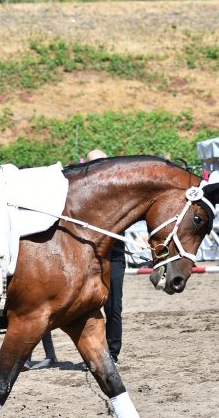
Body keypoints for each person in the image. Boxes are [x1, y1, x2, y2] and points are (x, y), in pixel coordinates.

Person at [85, 148, 124, 363]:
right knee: (88, 308)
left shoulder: (119, 190)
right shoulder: (83, 190)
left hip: (114, 257)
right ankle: (94, 351)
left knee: (113, 308)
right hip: (90, 258)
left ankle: (113, 353)